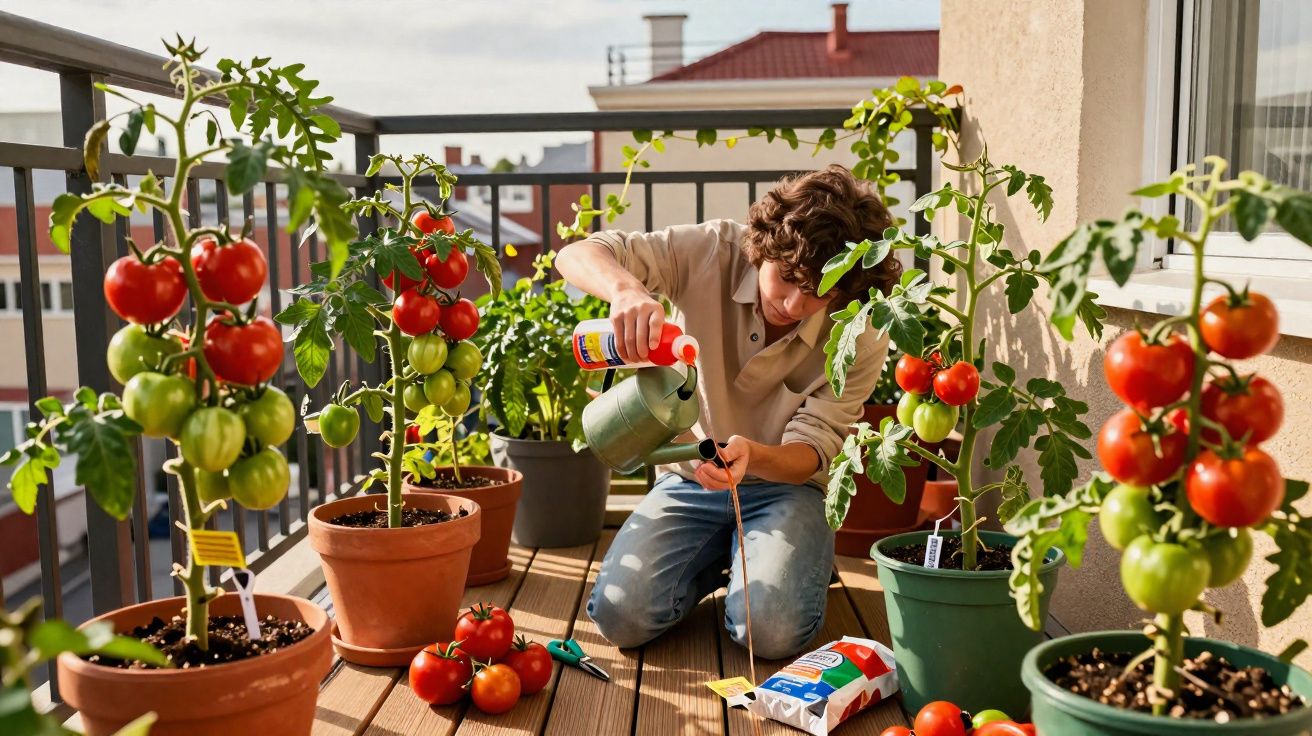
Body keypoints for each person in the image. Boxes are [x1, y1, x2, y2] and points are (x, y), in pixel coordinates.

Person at [555, 164, 900, 659]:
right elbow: (579, 253)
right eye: (787, 277)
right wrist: (626, 291)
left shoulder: (860, 331)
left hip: (788, 490)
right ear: (764, 247)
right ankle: (738, 558)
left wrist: (752, 456)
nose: (796, 302)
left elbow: (816, 448)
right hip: (688, 479)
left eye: (821, 291)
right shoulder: (711, 249)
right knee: (618, 617)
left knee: (770, 633)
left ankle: (776, 560)